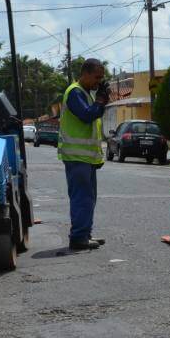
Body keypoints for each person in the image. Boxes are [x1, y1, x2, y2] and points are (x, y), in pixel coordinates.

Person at [58, 58, 109, 250]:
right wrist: (100, 101)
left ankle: (85, 234)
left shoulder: (86, 93)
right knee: (82, 198)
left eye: (101, 78)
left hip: (85, 158)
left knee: (89, 198)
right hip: (76, 157)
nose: (99, 81)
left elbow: (94, 115)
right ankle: (79, 237)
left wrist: (101, 102)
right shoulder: (75, 92)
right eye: (97, 77)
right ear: (85, 74)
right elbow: (87, 115)